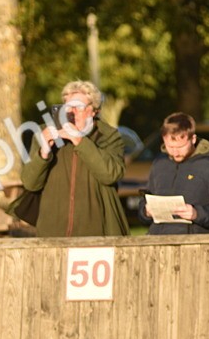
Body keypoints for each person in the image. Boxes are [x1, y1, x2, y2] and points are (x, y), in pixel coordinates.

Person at [18, 80, 129, 237]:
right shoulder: (45, 133)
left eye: (78, 107)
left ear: (93, 111)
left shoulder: (108, 135)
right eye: (67, 107)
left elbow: (111, 175)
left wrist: (79, 141)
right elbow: (30, 183)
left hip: (96, 233)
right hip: (53, 232)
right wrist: (44, 152)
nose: (71, 112)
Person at [142, 112, 209, 235]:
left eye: (180, 147)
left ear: (193, 139)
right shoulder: (159, 164)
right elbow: (145, 201)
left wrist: (196, 214)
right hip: (158, 240)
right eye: (170, 147)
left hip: (195, 241)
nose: (175, 152)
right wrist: (146, 211)